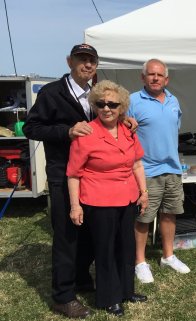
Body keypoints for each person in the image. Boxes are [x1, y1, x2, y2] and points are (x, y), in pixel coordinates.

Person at [22, 43, 99, 318]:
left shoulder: (96, 93)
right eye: (82, 59)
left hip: (91, 176)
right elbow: (31, 127)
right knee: (67, 236)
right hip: (63, 174)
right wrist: (67, 131)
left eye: (92, 60)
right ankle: (63, 296)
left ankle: (80, 277)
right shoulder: (52, 92)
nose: (87, 64)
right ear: (70, 61)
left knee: (90, 232)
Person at [67, 80, 149, 316]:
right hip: (99, 200)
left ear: (121, 106)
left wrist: (143, 192)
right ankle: (109, 297)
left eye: (112, 104)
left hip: (128, 197)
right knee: (106, 249)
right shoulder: (86, 134)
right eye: (101, 103)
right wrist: (75, 206)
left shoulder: (128, 130)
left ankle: (126, 290)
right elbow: (73, 174)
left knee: (127, 245)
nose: (106, 108)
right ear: (94, 105)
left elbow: (137, 164)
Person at [128, 58, 190, 284]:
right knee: (143, 217)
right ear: (143, 77)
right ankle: (140, 262)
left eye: (159, 75)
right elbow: (122, 129)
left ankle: (168, 256)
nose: (155, 78)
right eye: (151, 74)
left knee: (169, 213)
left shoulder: (174, 100)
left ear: (167, 79)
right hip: (146, 170)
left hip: (172, 168)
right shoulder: (133, 101)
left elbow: (173, 130)